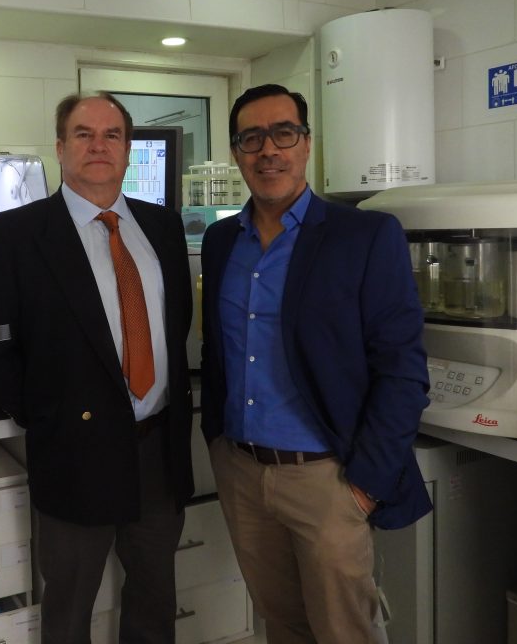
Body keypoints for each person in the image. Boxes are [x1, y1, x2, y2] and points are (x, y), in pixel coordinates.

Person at [200, 83, 432, 644]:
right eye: (251, 138)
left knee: (344, 633)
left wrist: (365, 485)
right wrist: (217, 443)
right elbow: (216, 350)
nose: (268, 150)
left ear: (306, 144)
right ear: (236, 152)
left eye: (284, 133)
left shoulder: (364, 235)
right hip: (242, 473)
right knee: (282, 626)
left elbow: (402, 368)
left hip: (328, 480)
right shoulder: (221, 241)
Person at [0, 92, 194, 644]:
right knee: (69, 609)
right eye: (83, 134)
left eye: (112, 135)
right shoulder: (16, 233)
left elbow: (176, 322)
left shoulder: (162, 227)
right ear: (60, 148)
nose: (98, 146)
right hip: (73, 452)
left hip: (157, 452)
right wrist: (45, 413)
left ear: (128, 150)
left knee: (155, 601)